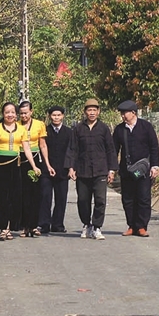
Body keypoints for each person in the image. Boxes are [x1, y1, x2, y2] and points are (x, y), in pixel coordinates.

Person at [68, 97, 114, 240]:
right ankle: (86, 225)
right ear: (85, 112)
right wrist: (71, 167)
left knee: (100, 200)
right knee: (83, 200)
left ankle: (97, 227)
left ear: (98, 112)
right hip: (83, 169)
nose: (92, 113)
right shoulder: (78, 129)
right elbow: (73, 149)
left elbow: (110, 150)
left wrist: (111, 170)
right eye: (89, 110)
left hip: (100, 170)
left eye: (94, 110)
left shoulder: (104, 129)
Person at [113, 99, 159, 237]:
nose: (122, 116)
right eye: (121, 113)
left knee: (143, 198)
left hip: (143, 171)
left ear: (133, 113)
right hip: (126, 170)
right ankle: (131, 226)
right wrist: (112, 168)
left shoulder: (146, 127)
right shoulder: (119, 129)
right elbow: (114, 149)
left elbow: (154, 147)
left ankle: (142, 226)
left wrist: (155, 166)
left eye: (124, 113)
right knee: (127, 199)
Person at [0, 103, 26, 240]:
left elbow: (26, 149)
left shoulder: (21, 129)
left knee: (16, 197)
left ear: (16, 114)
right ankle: (3, 228)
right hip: (1, 164)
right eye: (7, 112)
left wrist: (35, 166)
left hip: (16, 164)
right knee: (3, 197)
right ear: (3, 114)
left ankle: (11, 226)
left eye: (13, 112)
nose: (10, 115)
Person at [17, 100, 51, 237]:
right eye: (21, 113)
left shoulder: (39, 125)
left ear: (31, 111)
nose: (24, 116)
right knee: (22, 194)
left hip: (36, 160)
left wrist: (47, 164)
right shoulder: (15, 125)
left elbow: (43, 145)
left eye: (26, 113)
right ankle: (24, 226)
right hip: (19, 159)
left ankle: (34, 225)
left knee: (36, 193)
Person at [39, 105, 75, 234]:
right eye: (54, 115)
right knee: (45, 197)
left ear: (63, 116)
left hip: (63, 170)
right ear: (49, 116)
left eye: (59, 115)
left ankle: (58, 224)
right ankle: (44, 224)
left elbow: (72, 151)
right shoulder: (44, 131)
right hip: (46, 169)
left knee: (61, 198)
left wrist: (71, 168)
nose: (56, 117)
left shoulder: (69, 132)